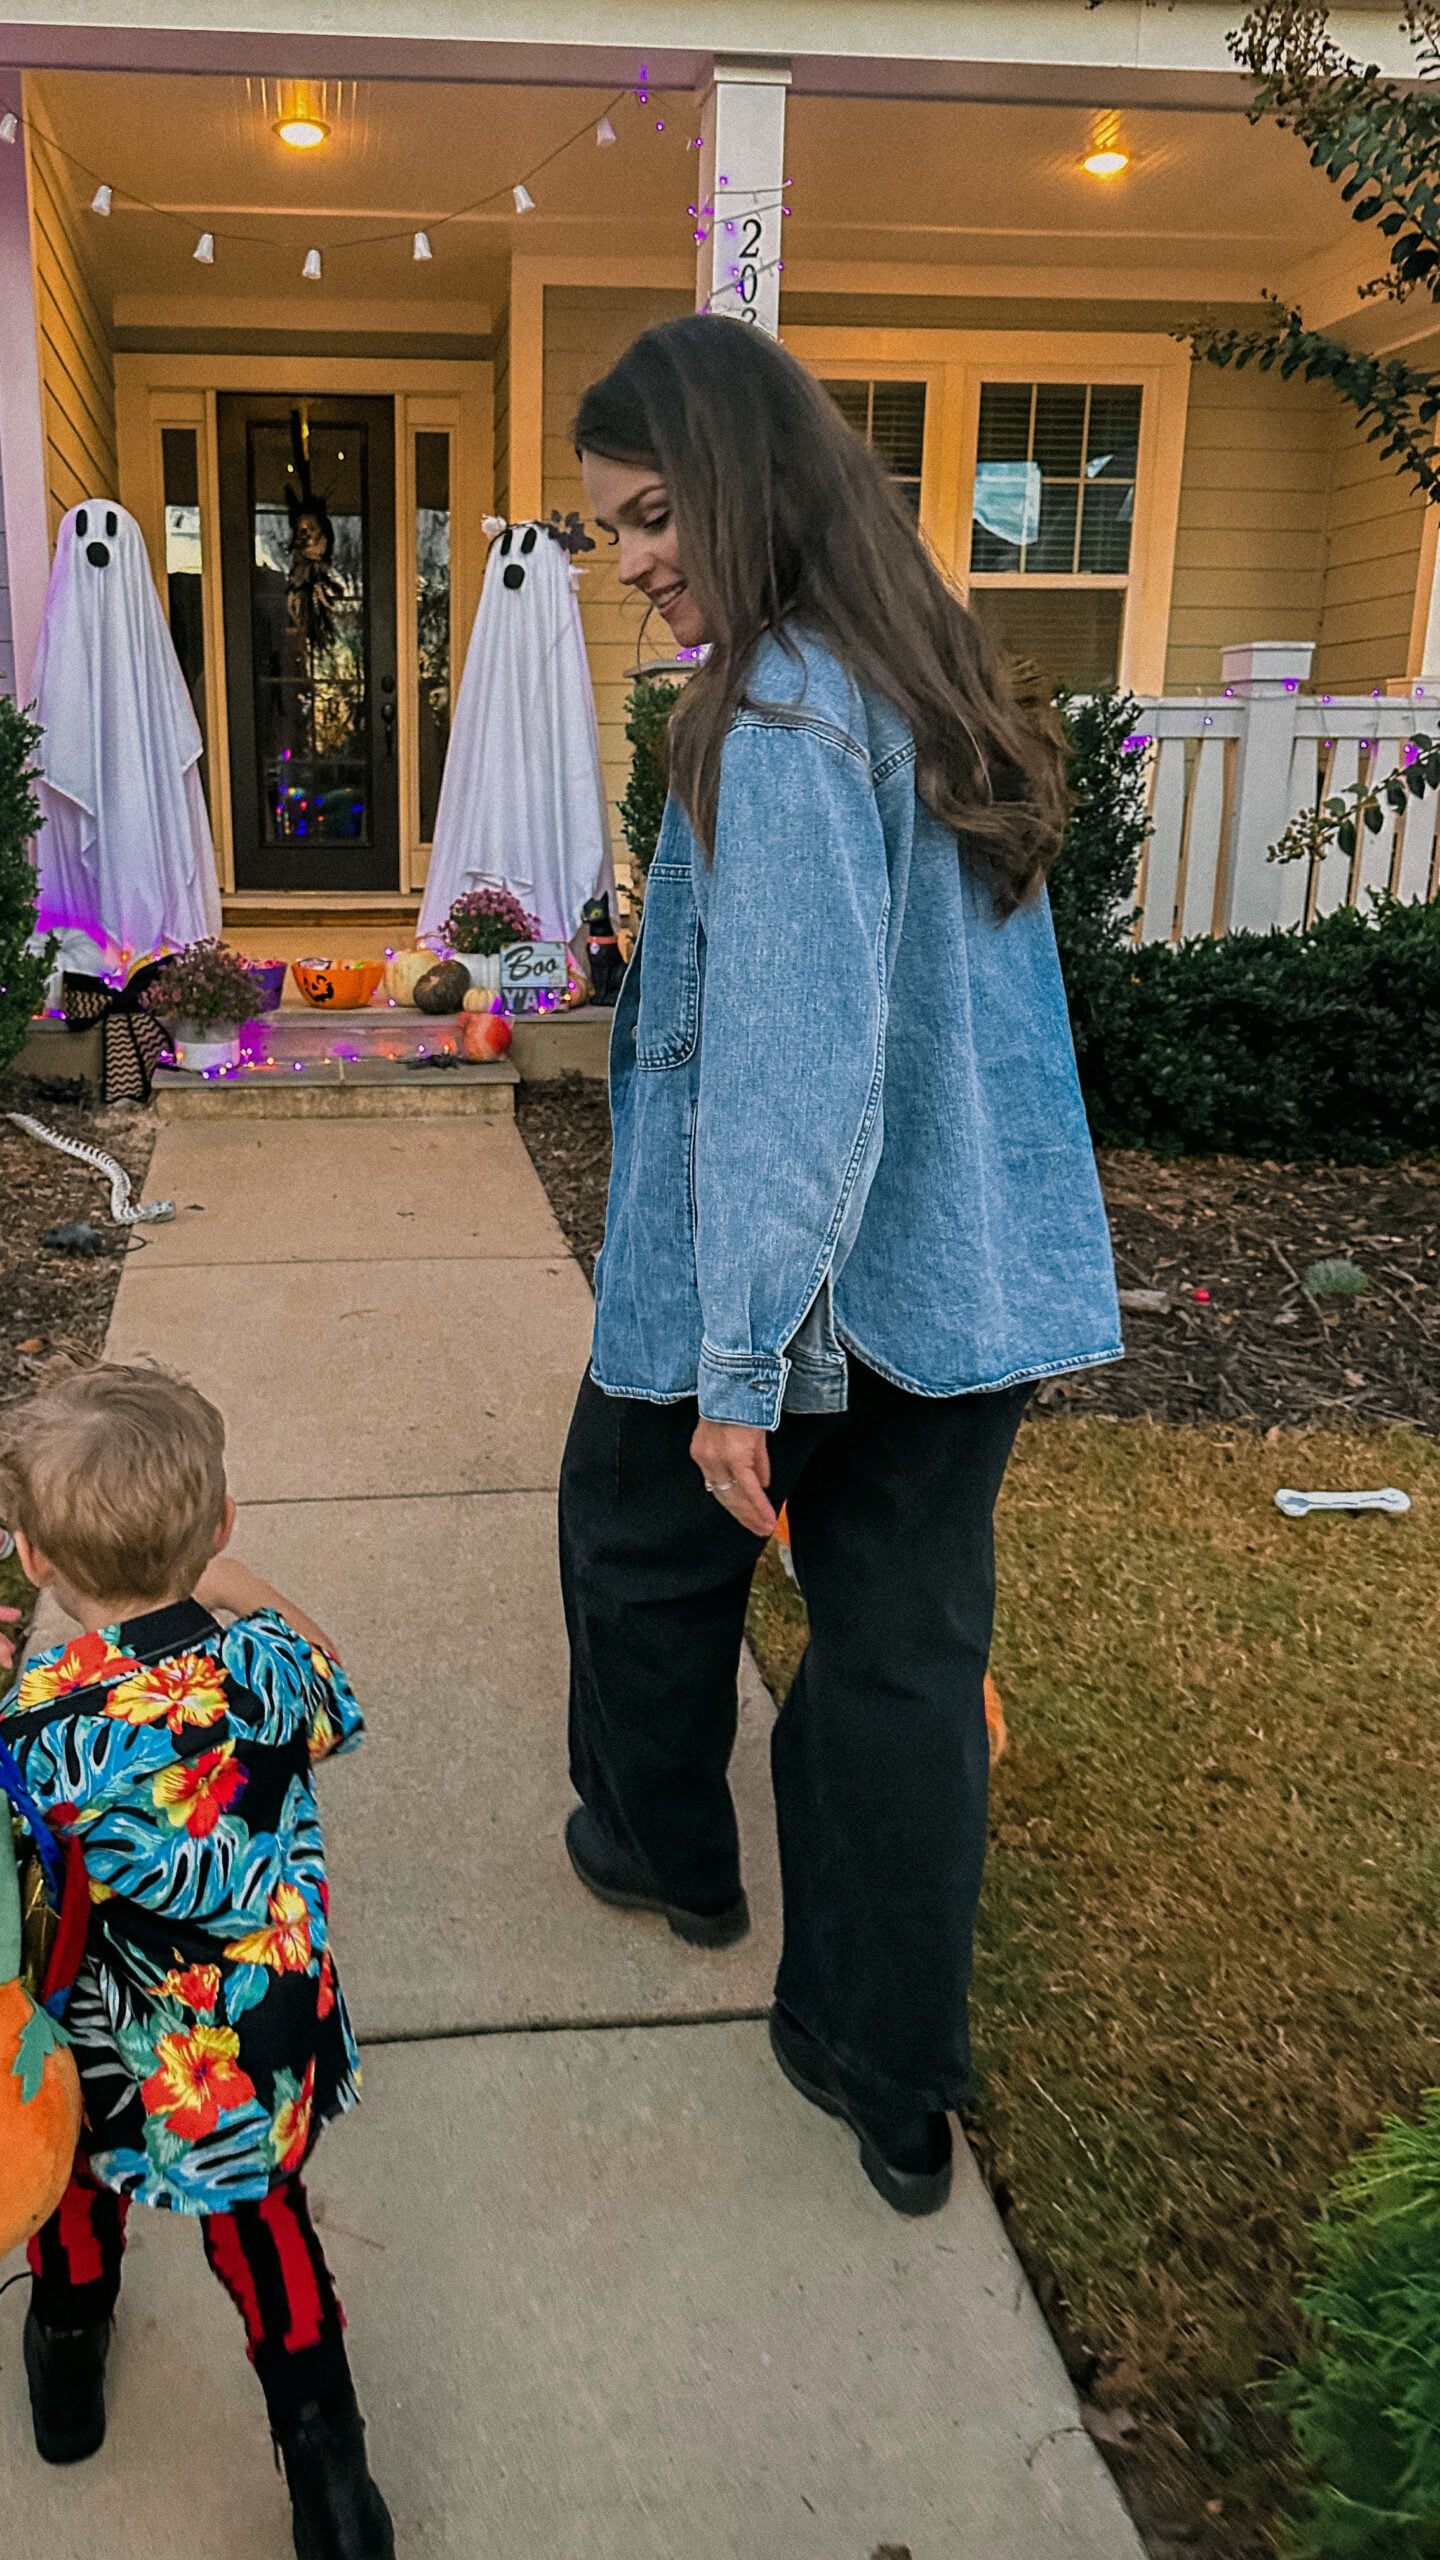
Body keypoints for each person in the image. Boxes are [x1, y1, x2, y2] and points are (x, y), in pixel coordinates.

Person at [560, 315, 1121, 2218]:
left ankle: (665, 1854)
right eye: (609, 530)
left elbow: (794, 1075)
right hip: (961, 1289)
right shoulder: (927, 678)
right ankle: (884, 2074)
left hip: (810, 1287)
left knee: (635, 1535)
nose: (631, 560)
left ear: (743, 482)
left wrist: (735, 1371)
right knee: (898, 1656)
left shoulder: (785, 715)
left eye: (650, 516)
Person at [0, 1363, 394, 2560]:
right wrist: (228, 1586)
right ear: (221, 1524)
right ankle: (332, 2477)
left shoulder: (32, 1737)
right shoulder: (268, 1667)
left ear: (30, 1557)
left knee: (71, 2204)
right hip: (267, 2043)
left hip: (107, 2067)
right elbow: (332, 1678)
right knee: (266, 2226)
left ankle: (67, 2382)